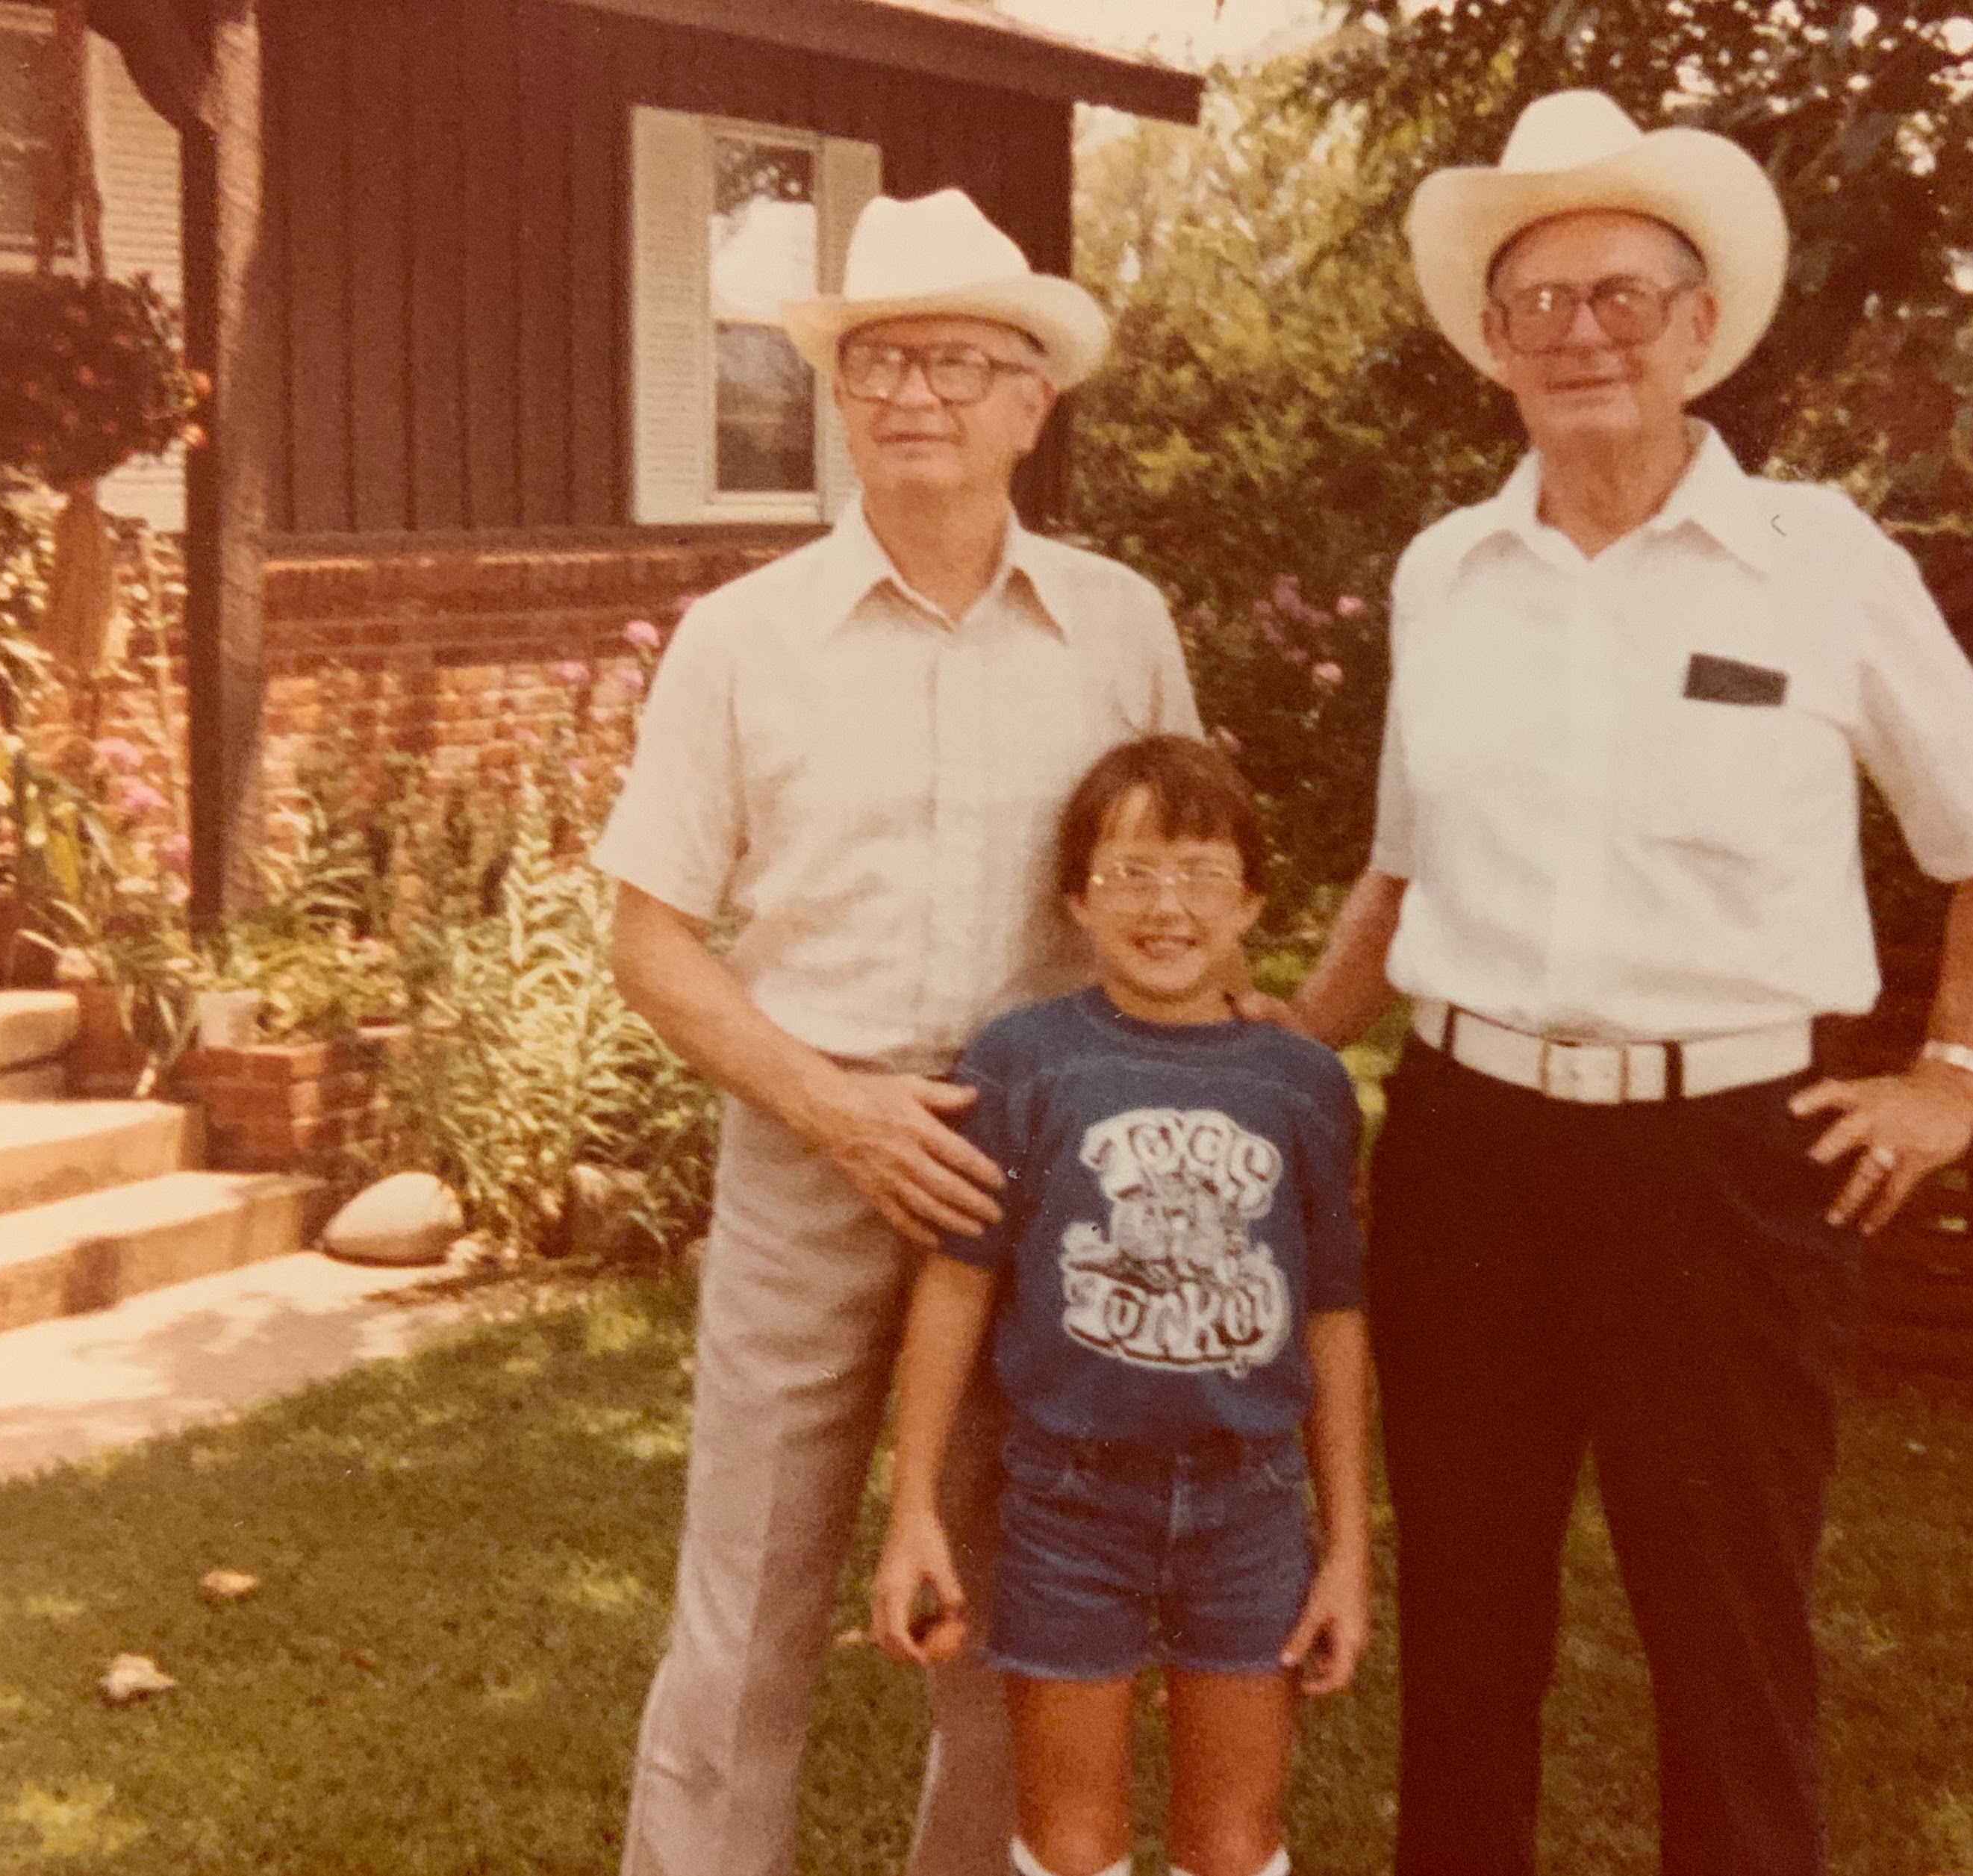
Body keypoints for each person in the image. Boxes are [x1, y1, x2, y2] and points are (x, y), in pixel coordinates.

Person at [1265, 91, 1973, 1875]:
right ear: (1489, 341)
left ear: (1701, 328)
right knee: (1466, 1627)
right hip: (1467, 1158)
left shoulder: (1819, 562)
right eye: (1538, 302)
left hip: (1726, 1171)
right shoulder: (1442, 574)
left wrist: (1952, 1072)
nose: (1580, 334)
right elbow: (1401, 870)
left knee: (1728, 1638)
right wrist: (1289, 1041)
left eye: (1622, 294)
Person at [593, 190, 1201, 1876]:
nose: (911, 394)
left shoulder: (1119, 625)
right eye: (875, 363)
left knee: (1027, 1606)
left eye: (954, 360)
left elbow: (1177, 897)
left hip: (1044, 1185)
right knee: (746, 1608)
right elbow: (649, 935)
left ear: (1032, 398)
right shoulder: (741, 639)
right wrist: (836, 1108)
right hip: (810, 1165)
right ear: (836, 400)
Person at [871, 735, 1372, 1876]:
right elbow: (955, 1283)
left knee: (1233, 1840)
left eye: (1199, 873)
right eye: (1129, 871)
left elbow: (1336, 1319)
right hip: (1067, 1499)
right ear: (1075, 899)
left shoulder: (1299, 1082)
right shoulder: (1023, 1061)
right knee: (1069, 1836)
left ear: (1249, 899)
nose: (1164, 906)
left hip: (1251, 1501)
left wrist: (1346, 1545)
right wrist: (913, 1510)